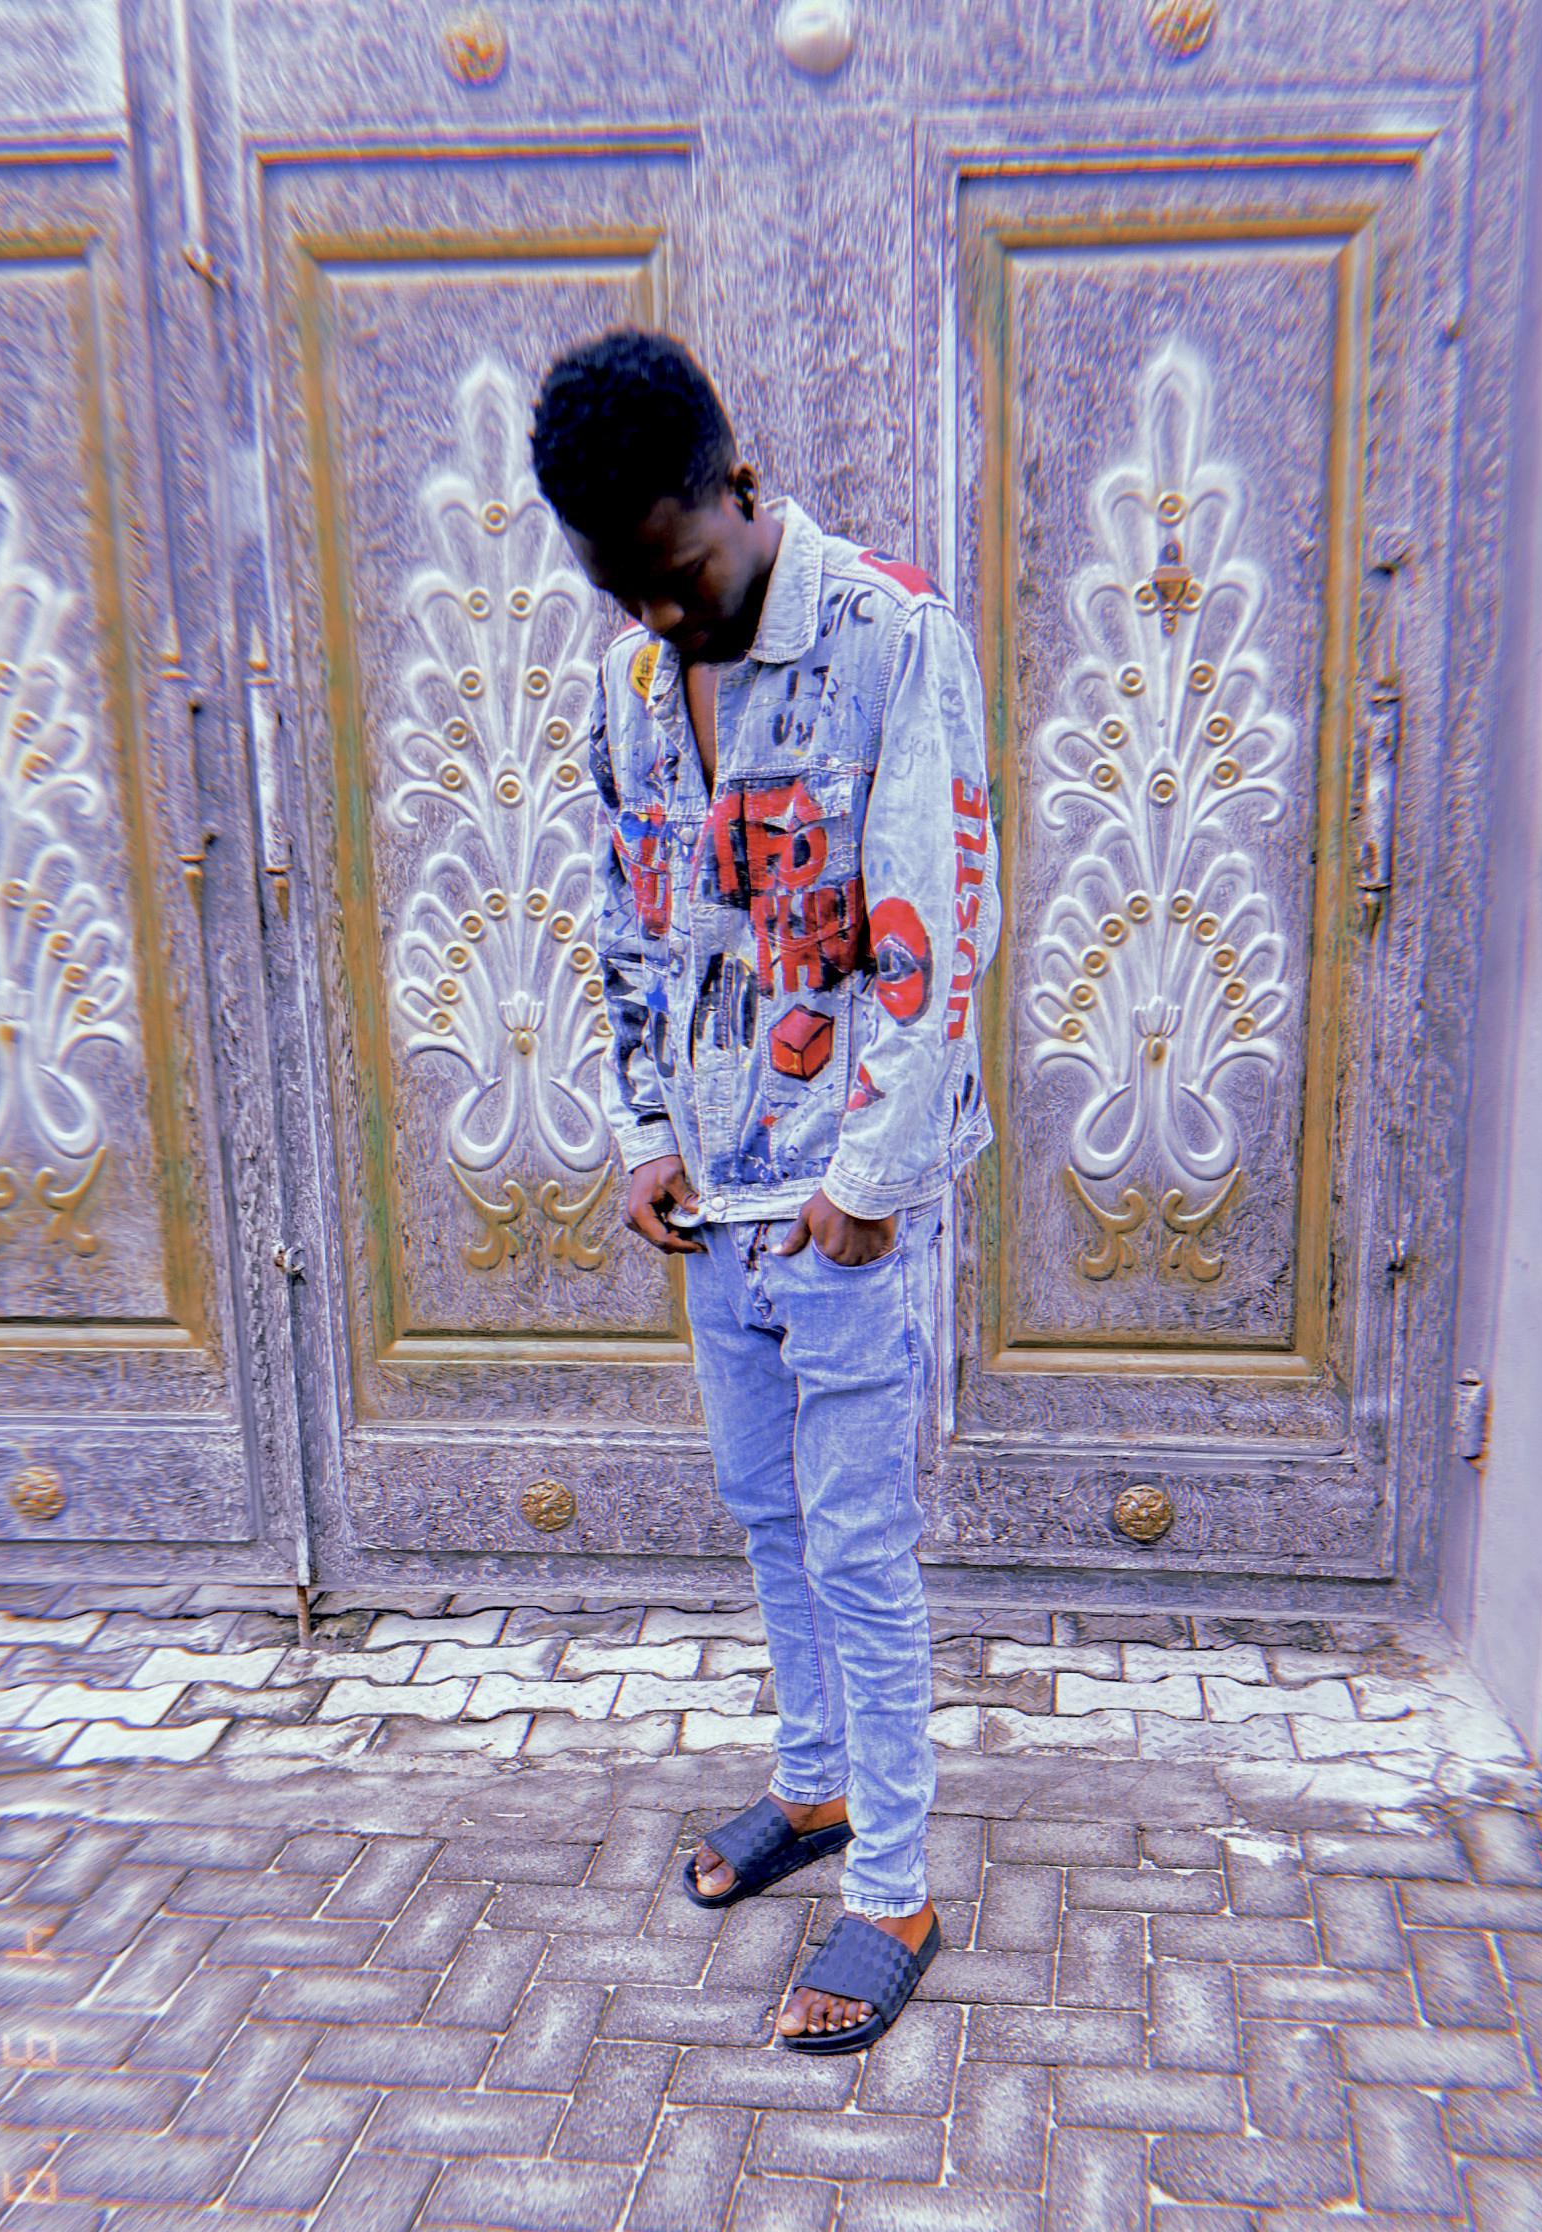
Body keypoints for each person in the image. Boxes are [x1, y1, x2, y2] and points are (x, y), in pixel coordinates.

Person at [530, 328, 999, 2054]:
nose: (664, 616)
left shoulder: (889, 635)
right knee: (766, 1511)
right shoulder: (631, 682)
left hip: (838, 1198)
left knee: (860, 1544)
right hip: (714, 1192)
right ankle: (812, 1785)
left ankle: (895, 1886)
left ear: (740, 487)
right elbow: (629, 916)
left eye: (683, 576)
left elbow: (939, 926)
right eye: (624, 591)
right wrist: (644, 1130)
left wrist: (872, 1183)